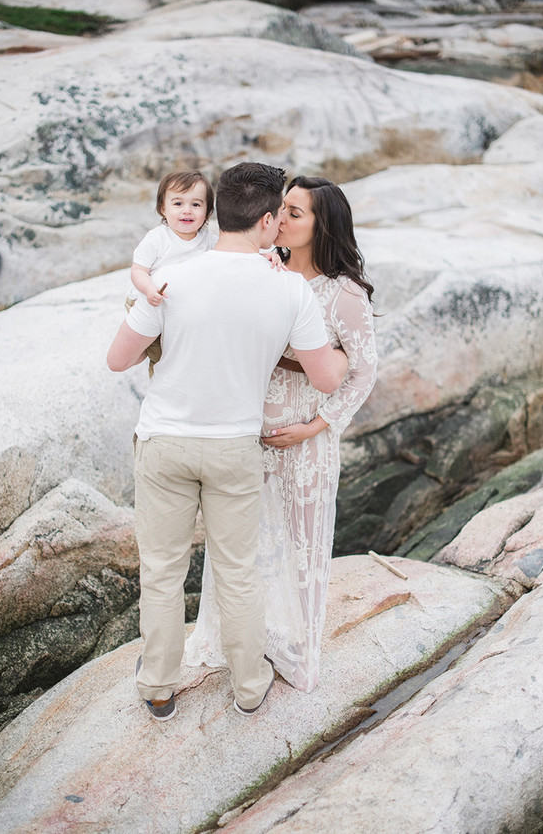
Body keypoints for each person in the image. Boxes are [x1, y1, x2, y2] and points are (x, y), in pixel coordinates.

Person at [107, 163, 349, 721]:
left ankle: (159, 686)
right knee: (238, 570)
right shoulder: (288, 288)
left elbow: (119, 359)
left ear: (219, 212)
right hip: (235, 449)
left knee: (162, 572)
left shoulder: (172, 276)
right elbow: (327, 380)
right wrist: (345, 348)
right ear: (267, 221)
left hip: (164, 442)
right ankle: (247, 687)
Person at [186, 176, 377, 693]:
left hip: (307, 443)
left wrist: (316, 427)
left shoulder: (344, 293)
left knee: (301, 548)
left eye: (295, 212)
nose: (281, 218)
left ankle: (296, 651)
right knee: (239, 546)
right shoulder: (265, 270)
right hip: (247, 435)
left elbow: (363, 371)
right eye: (282, 209)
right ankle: (233, 646)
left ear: (322, 224)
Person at [125, 170, 217, 374]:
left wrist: (263, 256)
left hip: (177, 307)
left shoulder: (209, 239)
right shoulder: (157, 238)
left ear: (208, 211)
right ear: (162, 208)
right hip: (147, 300)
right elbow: (138, 270)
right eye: (178, 203)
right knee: (162, 356)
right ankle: (150, 361)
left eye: (196, 204)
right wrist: (149, 289)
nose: (187, 211)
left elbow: (231, 254)